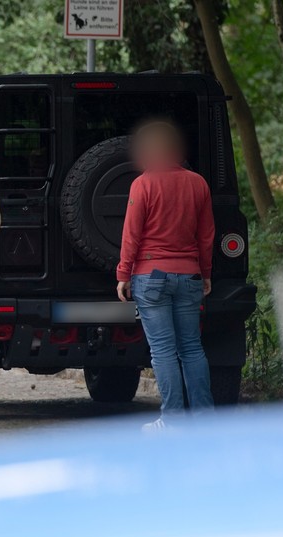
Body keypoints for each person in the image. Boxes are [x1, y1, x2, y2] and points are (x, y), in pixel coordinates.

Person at [116, 121, 215, 430]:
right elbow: (206, 235)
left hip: (151, 276)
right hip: (190, 276)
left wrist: (123, 273)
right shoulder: (198, 183)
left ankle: (171, 420)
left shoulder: (143, 184)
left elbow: (132, 234)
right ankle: (204, 418)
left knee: (163, 351)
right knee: (192, 348)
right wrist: (207, 273)